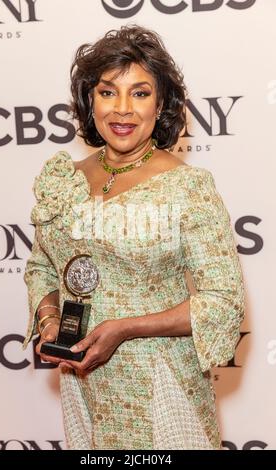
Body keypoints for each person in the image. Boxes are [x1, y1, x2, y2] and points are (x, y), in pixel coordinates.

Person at [23, 25, 245, 450]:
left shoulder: (187, 187)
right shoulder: (64, 181)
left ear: (160, 104)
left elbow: (223, 299)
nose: (122, 109)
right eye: (108, 92)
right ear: (91, 100)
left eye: (140, 93)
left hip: (160, 382)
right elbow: (41, 267)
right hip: (85, 384)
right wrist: (50, 322)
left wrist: (125, 328)